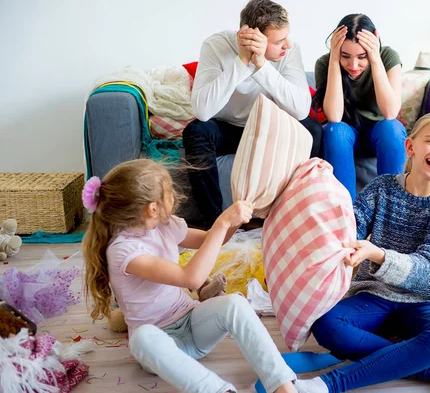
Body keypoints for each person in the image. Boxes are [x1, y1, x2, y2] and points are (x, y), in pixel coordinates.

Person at [298, 112, 430, 392]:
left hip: (424, 301)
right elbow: (350, 225)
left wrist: (378, 255)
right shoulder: (382, 187)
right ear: (411, 147)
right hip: (373, 295)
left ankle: (328, 385)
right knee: (326, 324)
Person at [82, 159, 313, 393]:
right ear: (152, 208)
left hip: (193, 324)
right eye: (169, 192)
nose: (175, 197)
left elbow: (212, 240)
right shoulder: (123, 250)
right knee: (142, 337)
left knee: (234, 303)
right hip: (162, 344)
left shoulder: (164, 225)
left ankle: (283, 386)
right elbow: (190, 278)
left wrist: (236, 218)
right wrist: (222, 223)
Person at [183, 0, 322, 228]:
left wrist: (262, 66)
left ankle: (291, 219)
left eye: (286, 37)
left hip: (270, 128)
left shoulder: (290, 50)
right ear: (253, 38)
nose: (286, 45)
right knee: (196, 131)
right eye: (278, 41)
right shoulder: (215, 45)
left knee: (313, 130)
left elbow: (299, 110)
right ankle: (215, 224)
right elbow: (203, 110)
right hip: (227, 128)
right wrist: (242, 62)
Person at [312, 14, 407, 202]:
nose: (353, 65)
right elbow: (334, 116)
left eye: (361, 57)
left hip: (379, 134)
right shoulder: (325, 64)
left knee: (392, 127)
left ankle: (391, 207)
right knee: (335, 130)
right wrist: (333, 60)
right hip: (346, 135)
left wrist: (375, 59)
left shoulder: (388, 56)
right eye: (345, 56)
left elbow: (390, 112)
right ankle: (348, 213)